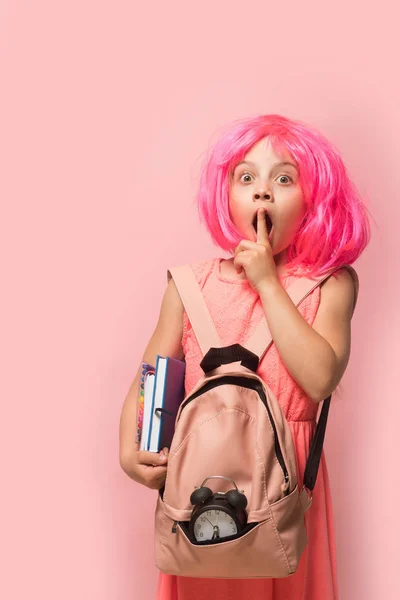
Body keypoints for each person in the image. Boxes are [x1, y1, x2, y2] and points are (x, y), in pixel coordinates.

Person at [119, 113, 371, 599]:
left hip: (284, 484)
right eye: (246, 177)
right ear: (226, 195)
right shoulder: (190, 285)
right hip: (201, 483)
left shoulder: (330, 284)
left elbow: (319, 378)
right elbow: (153, 373)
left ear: (314, 199)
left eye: (284, 178)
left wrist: (266, 283)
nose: (263, 192)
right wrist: (130, 447)